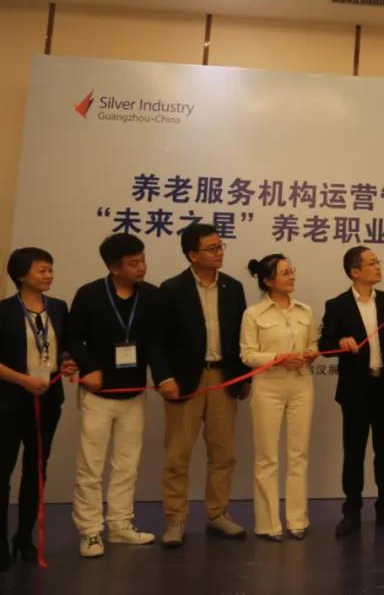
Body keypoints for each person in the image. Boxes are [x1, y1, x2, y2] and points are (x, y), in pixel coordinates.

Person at [68, 233, 179, 558]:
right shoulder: (89, 295)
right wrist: (89, 368)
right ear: (114, 268)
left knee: (127, 465)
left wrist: (165, 377)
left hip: (134, 394)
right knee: (90, 466)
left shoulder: (151, 296)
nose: (142, 267)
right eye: (133, 263)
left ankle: (119, 524)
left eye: (142, 260)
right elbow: (73, 338)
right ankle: (90, 531)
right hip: (98, 395)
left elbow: (155, 344)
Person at [158, 224, 249, 547]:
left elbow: (242, 336)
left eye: (220, 246)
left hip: (224, 378)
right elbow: (158, 341)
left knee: (224, 453)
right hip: (185, 380)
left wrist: (244, 377)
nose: (219, 252)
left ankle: (217, 514)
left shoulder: (233, 287)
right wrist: (164, 377)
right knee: (177, 455)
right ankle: (175, 519)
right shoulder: (171, 289)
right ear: (192, 255)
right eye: (212, 248)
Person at [319, 246, 384, 536]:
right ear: (355, 272)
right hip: (355, 391)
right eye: (372, 263)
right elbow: (324, 346)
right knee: (354, 453)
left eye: (378, 262)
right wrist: (341, 341)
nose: (378, 266)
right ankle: (351, 512)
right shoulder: (336, 305)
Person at [0, 248, 77, 570]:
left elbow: (64, 347)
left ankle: (24, 536)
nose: (49, 275)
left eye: (50, 269)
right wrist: (23, 380)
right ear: (21, 275)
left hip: (47, 398)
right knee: (3, 468)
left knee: (36, 469)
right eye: (42, 270)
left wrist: (67, 362)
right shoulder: (4, 311)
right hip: (10, 400)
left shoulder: (58, 307)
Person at [240, 254, 318, 541]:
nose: (292, 276)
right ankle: (268, 523)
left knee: (298, 454)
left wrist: (310, 353)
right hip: (268, 387)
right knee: (267, 457)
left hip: (301, 385)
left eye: (291, 270)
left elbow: (313, 344)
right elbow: (247, 355)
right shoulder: (254, 314)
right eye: (285, 272)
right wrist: (279, 358)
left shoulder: (305, 311)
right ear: (268, 281)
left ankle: (298, 519)